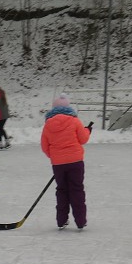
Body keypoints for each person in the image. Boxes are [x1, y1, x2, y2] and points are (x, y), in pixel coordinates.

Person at [40, 93, 92, 229]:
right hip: (76, 161)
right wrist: (88, 130)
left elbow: (44, 146)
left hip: (58, 164)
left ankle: (61, 220)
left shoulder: (48, 124)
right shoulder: (74, 121)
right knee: (77, 189)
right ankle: (81, 221)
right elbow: (83, 139)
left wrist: (55, 157)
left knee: (62, 190)